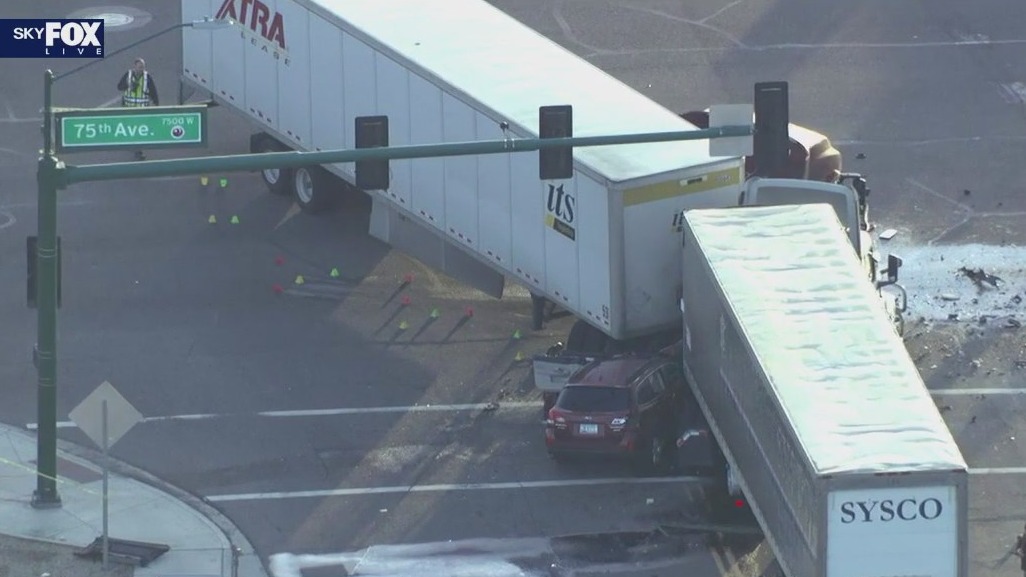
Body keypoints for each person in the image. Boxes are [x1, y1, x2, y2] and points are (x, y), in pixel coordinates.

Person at [116, 57, 160, 160]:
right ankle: (133, 145)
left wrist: (156, 105)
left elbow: (153, 91)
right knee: (130, 129)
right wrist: (128, 85)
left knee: (138, 130)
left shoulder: (147, 77)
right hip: (129, 109)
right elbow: (119, 87)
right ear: (134, 66)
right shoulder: (128, 75)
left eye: (143, 67)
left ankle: (138, 151)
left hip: (141, 110)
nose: (141, 69)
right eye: (139, 67)